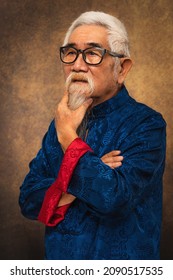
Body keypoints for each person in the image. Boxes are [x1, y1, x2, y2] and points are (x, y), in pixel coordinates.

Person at [19, 11, 166, 260]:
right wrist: (87, 177)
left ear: (122, 68)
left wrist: (67, 137)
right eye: (71, 53)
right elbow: (29, 200)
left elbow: (113, 200)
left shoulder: (146, 124)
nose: (77, 65)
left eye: (92, 53)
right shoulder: (61, 122)